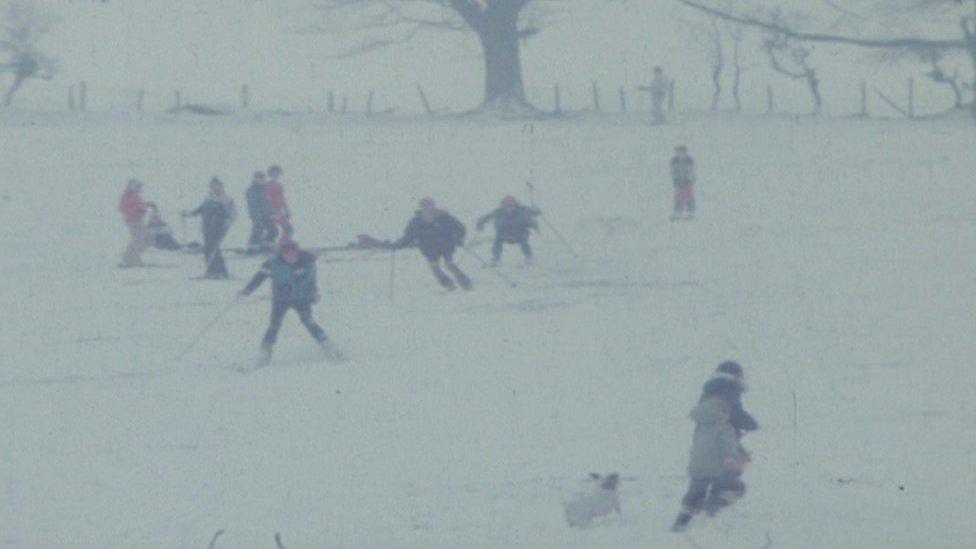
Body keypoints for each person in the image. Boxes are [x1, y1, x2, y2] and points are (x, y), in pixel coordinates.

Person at [672, 361, 758, 532]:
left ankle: (681, 522)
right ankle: (712, 509)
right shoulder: (730, 389)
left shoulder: (707, 395)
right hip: (720, 462)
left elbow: (711, 434)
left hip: (697, 461)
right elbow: (733, 421)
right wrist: (750, 426)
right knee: (734, 487)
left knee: (696, 492)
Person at [239, 240, 343, 364]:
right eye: (286, 253)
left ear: (297, 252)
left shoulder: (307, 261)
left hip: (302, 298)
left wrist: (311, 293)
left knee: (309, 322)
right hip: (280, 299)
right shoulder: (272, 263)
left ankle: (328, 347)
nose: (290, 256)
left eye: (293, 253)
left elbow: (309, 280)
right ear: (281, 253)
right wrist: (247, 290)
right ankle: (265, 352)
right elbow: (259, 277)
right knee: (274, 325)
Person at [391, 197, 471, 290]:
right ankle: (448, 285)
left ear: (433, 206)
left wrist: (458, 238)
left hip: (446, 246)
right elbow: (408, 237)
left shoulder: (444, 217)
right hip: (429, 249)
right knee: (435, 268)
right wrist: (397, 245)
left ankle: (465, 282)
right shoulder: (415, 222)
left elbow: (460, 228)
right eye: (424, 206)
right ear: (421, 208)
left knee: (449, 265)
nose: (427, 208)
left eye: (429, 205)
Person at [182, 177, 236, 279]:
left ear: (221, 187)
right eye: (213, 186)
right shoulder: (208, 199)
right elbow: (200, 209)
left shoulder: (226, 200)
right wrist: (188, 213)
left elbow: (233, 214)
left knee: (212, 248)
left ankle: (215, 271)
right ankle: (219, 271)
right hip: (207, 227)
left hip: (218, 228)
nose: (215, 188)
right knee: (210, 249)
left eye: (218, 186)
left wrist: (227, 223)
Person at [476, 195, 541, 266]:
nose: (509, 208)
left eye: (511, 205)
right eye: (506, 206)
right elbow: (486, 217)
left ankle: (529, 256)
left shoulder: (522, 210)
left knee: (523, 240)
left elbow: (535, 213)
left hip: (520, 233)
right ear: (503, 205)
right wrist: (480, 224)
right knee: (497, 240)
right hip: (504, 234)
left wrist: (536, 211)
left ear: (516, 205)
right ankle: (496, 258)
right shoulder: (498, 212)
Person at [118, 179, 150, 267]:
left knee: (143, 238)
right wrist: (137, 211)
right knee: (138, 239)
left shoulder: (136, 196)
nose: (140, 188)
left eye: (140, 187)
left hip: (138, 220)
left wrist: (144, 207)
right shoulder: (127, 196)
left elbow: (139, 206)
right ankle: (130, 259)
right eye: (138, 186)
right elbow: (123, 208)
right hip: (133, 221)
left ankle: (131, 258)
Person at [245, 171, 276, 253]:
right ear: (255, 179)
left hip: (266, 214)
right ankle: (252, 247)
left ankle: (266, 246)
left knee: (273, 230)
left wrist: (271, 212)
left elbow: (268, 203)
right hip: (257, 214)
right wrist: (256, 214)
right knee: (258, 228)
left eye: (263, 178)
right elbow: (252, 204)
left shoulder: (264, 189)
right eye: (259, 178)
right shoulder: (252, 189)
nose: (261, 180)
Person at [266, 164, 293, 242]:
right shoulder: (267, 185)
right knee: (273, 230)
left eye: (277, 173)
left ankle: (282, 245)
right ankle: (267, 246)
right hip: (272, 212)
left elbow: (282, 199)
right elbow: (267, 200)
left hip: (280, 211)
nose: (276, 175)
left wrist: (286, 209)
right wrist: (271, 210)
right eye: (274, 173)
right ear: (270, 174)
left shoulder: (279, 185)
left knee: (288, 229)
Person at [670, 145, 696, 221]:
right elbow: (672, 170)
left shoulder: (689, 160)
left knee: (689, 196)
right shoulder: (674, 160)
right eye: (678, 152)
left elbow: (692, 170)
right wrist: (674, 178)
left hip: (688, 181)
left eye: (681, 151)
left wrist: (691, 177)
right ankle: (678, 212)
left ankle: (691, 212)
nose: (679, 153)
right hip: (678, 181)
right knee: (678, 196)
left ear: (685, 152)